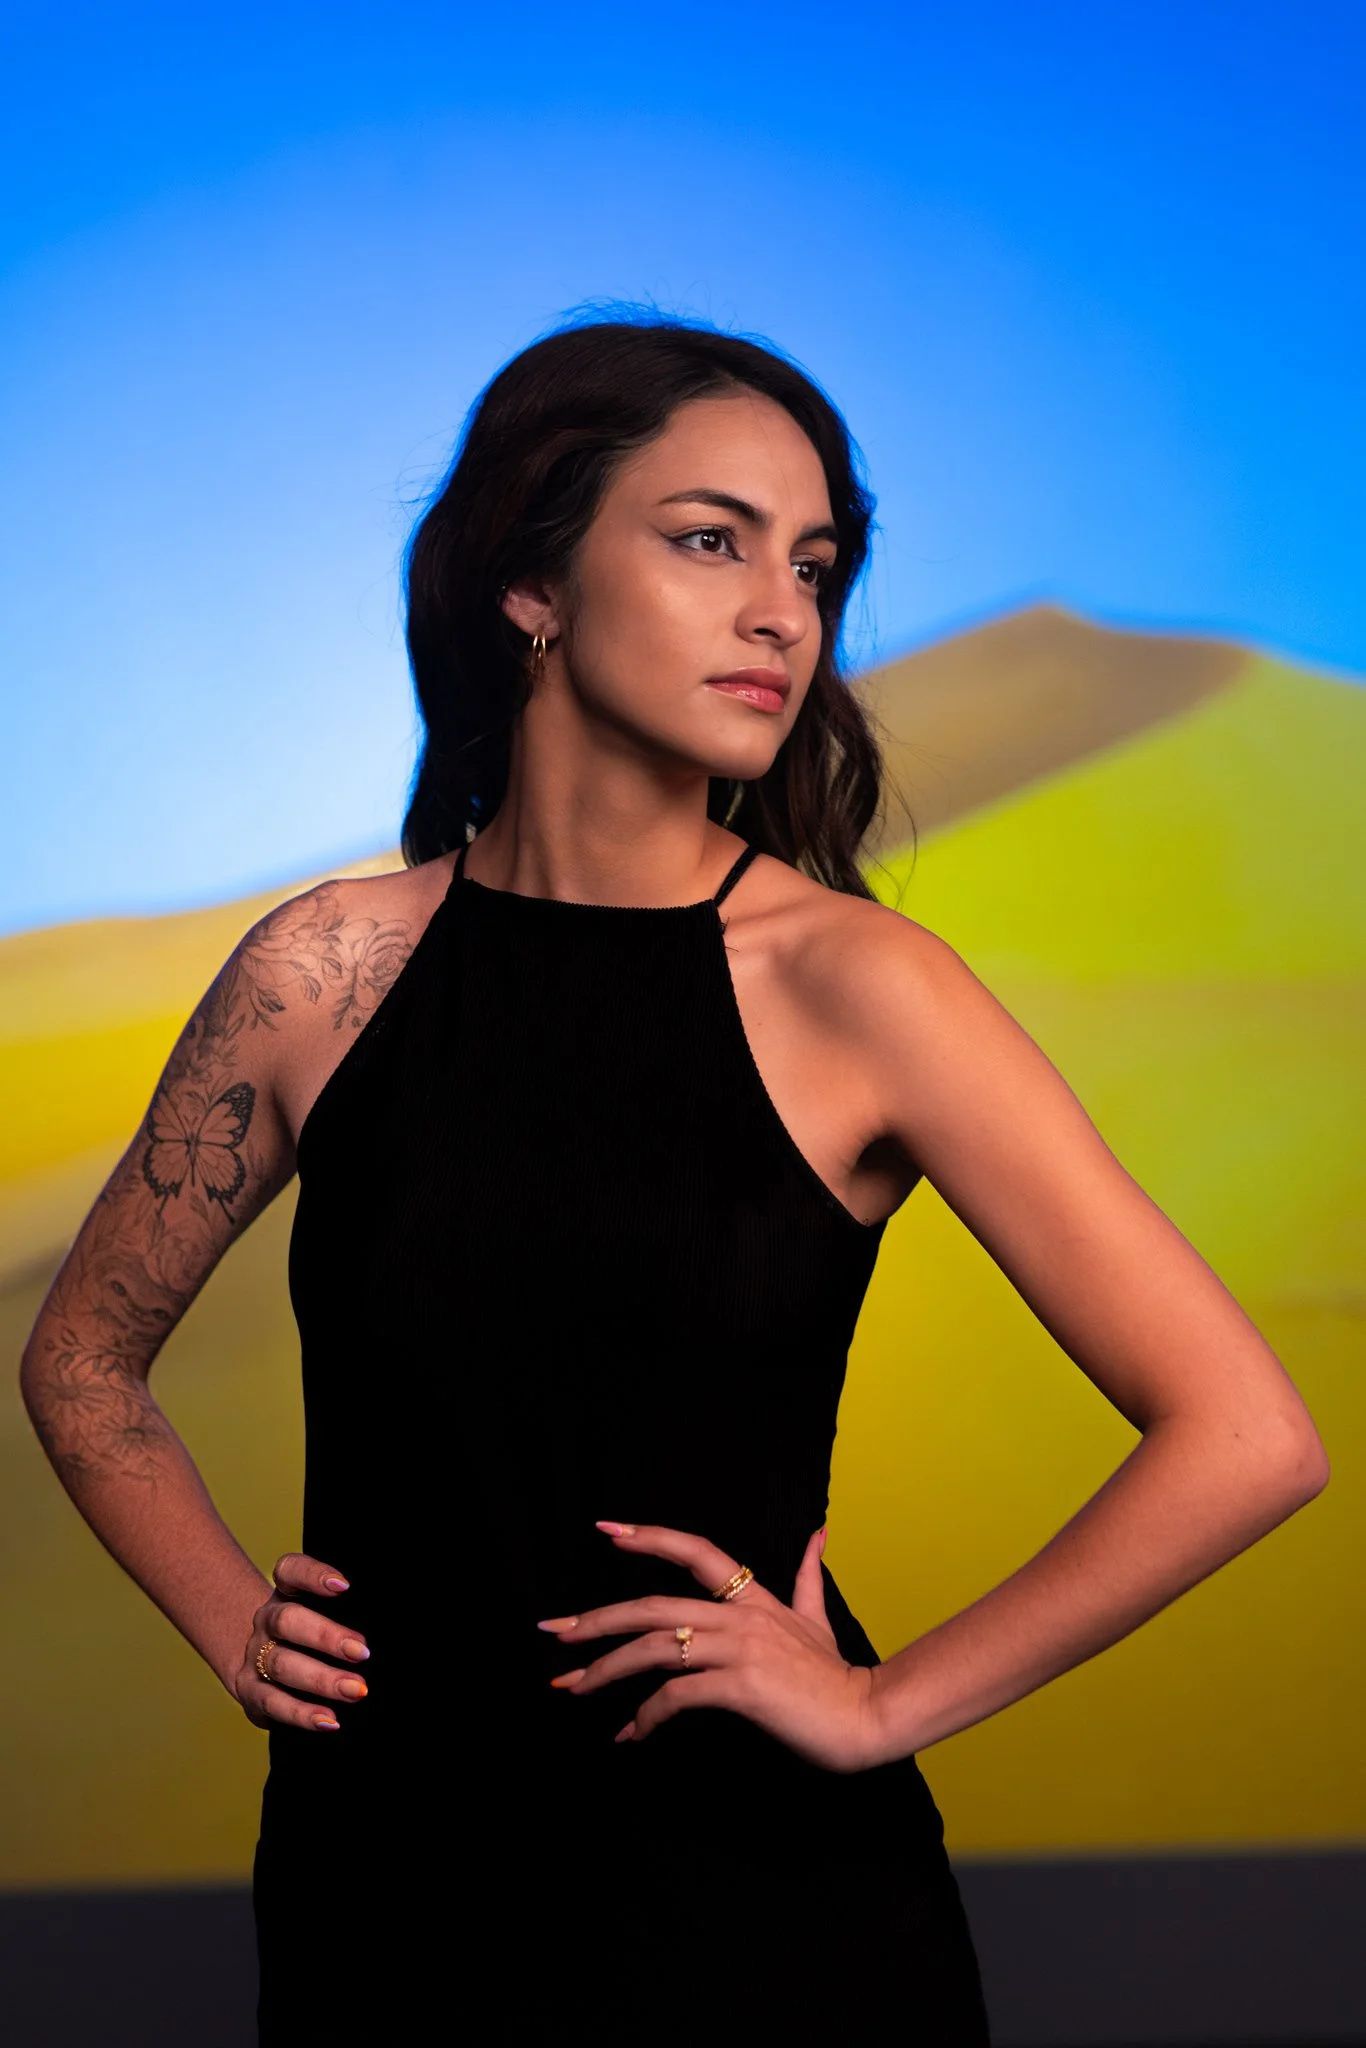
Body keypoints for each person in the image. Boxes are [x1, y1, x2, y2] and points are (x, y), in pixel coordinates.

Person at [21, 313, 1329, 2044]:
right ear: (528, 581)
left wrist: (883, 1705)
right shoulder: (322, 971)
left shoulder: (859, 987)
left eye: (813, 563)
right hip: (379, 1888)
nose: (781, 609)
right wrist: (222, 1615)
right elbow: (81, 1357)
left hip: (763, 1903)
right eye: (707, 539)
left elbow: (1247, 1436)